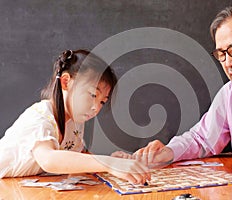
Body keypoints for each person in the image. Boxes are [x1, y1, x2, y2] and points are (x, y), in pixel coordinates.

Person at [112, 1, 232, 198]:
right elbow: (202, 138)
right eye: (222, 54)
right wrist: (166, 153)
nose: (229, 63)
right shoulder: (231, 93)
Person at [0, 49, 150, 184]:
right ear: (66, 82)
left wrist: (114, 161)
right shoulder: (40, 117)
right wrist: (108, 163)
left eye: (102, 102)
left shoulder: (75, 121)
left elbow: (79, 157)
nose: (96, 108)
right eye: (92, 95)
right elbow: (48, 159)